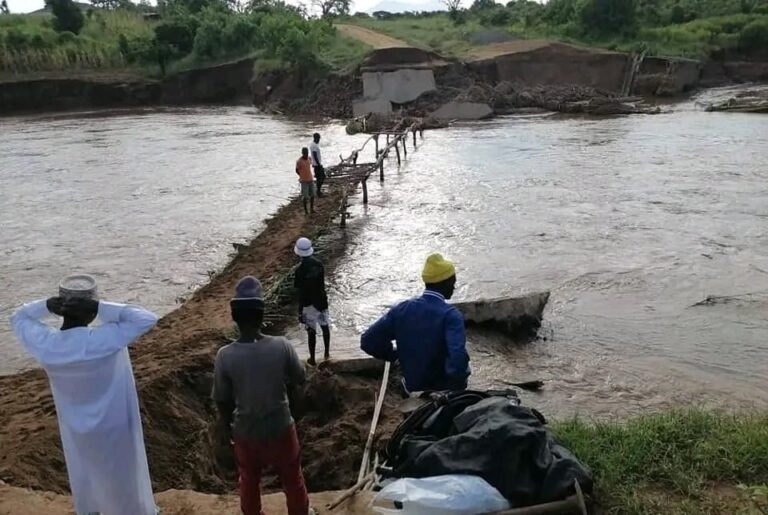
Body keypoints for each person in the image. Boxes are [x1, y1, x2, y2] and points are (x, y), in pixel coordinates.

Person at [10, 274, 159, 515]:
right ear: (91, 312)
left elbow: (18, 317)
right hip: (116, 426)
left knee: (86, 478)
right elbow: (145, 318)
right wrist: (101, 307)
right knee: (123, 480)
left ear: (61, 312)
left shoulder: (47, 345)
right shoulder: (105, 340)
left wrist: (46, 306)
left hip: (76, 430)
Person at [212, 276, 312, 515]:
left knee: (248, 480)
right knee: (292, 478)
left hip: (246, 431)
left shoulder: (225, 356)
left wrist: (228, 429)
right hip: (280, 426)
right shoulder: (282, 346)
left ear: (235, 317)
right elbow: (300, 378)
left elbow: (222, 400)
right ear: (262, 315)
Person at [360, 253, 470, 393]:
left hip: (413, 386)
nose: (454, 287)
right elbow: (458, 356)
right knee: (465, 367)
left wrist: (395, 355)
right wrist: (456, 382)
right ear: (446, 282)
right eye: (453, 282)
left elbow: (368, 341)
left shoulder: (402, 309)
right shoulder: (451, 315)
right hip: (442, 387)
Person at [293, 237, 331, 366]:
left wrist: (299, 312)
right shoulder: (319, 264)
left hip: (308, 304)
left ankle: (313, 358)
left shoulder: (299, 270)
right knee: (325, 327)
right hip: (321, 301)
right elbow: (321, 284)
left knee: (311, 332)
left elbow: (301, 292)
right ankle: (326, 353)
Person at [295, 147, 315, 215]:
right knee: (305, 197)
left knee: (312, 195)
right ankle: (306, 211)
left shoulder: (309, 158)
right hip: (304, 181)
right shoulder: (299, 161)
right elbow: (297, 170)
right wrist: (301, 176)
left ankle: (312, 209)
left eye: (307, 153)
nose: (306, 154)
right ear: (302, 153)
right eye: (304, 153)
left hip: (310, 179)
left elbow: (310, 166)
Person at [309, 133, 325, 198]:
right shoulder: (314, 146)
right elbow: (315, 155)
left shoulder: (315, 145)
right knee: (320, 177)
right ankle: (318, 191)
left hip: (317, 164)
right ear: (315, 138)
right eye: (318, 139)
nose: (319, 140)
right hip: (316, 165)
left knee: (321, 177)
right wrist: (318, 164)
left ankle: (318, 190)